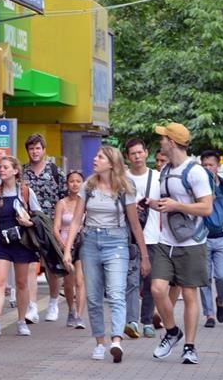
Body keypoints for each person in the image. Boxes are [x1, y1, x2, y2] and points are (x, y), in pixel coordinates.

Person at [63, 146, 151, 363]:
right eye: (96, 156)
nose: (95, 159)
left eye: (100, 157)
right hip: (90, 242)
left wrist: (144, 256)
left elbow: (135, 225)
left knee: (116, 293)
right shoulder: (88, 186)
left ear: (111, 163)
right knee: (93, 297)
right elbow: (76, 220)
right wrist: (67, 250)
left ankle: (116, 340)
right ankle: (99, 343)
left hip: (117, 242)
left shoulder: (124, 187)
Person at [149, 122, 212, 365]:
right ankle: (172, 332)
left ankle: (190, 347)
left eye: (163, 138)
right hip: (166, 241)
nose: (160, 142)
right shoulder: (165, 170)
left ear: (172, 143)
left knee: (189, 294)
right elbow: (166, 203)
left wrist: (177, 205)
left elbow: (206, 208)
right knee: (157, 289)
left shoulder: (196, 172)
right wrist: (153, 204)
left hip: (192, 242)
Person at [0, 156, 40, 337]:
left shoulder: (26, 192)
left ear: (15, 171)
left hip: (22, 242)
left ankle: (21, 321)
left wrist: (29, 222)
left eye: (5, 167)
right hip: (1, 241)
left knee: (21, 283)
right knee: (0, 282)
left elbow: (39, 216)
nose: (1, 170)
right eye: (0, 167)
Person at [22, 133, 67, 323]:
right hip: (29, 225)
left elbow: (65, 198)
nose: (35, 152)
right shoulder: (22, 173)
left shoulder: (55, 171)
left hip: (50, 225)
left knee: (52, 266)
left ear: (44, 150)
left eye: (38, 148)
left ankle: (53, 303)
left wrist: (62, 225)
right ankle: (32, 306)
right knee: (30, 265)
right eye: (31, 148)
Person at [124, 138, 160, 340]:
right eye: (133, 153)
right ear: (127, 157)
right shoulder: (123, 178)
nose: (137, 156)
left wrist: (151, 203)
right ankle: (132, 321)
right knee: (131, 281)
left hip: (152, 236)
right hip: (129, 237)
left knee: (150, 281)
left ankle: (147, 321)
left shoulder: (157, 177)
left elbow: (165, 203)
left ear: (146, 153)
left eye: (140, 152)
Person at [199, 150, 223, 328]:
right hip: (203, 238)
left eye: (211, 165)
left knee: (222, 276)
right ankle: (209, 314)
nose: (208, 168)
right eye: (204, 165)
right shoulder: (197, 186)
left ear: (218, 166)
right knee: (204, 278)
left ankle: (220, 300)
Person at [53, 170, 86, 329]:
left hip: (82, 244)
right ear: (67, 184)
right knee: (68, 283)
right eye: (72, 181)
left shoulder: (86, 202)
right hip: (65, 245)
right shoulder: (62, 203)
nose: (75, 184)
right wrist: (63, 244)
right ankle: (71, 309)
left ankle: (79, 316)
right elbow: (56, 228)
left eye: (78, 181)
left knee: (80, 280)